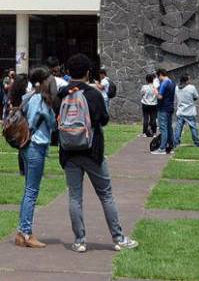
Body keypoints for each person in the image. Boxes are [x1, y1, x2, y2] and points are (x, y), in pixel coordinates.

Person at [55, 53, 138, 254]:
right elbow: (104, 119)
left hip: (68, 151)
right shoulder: (93, 94)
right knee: (106, 194)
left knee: (75, 197)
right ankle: (118, 238)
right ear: (88, 72)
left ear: (68, 72)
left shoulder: (62, 94)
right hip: (92, 150)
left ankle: (79, 241)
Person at [15, 67, 57, 249]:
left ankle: (21, 232)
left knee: (28, 191)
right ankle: (26, 233)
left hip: (25, 146)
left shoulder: (28, 97)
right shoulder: (41, 100)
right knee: (32, 191)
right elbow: (53, 124)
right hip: (36, 146)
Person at [152, 68, 176, 155]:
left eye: (158, 77)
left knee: (163, 128)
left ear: (160, 74)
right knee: (169, 128)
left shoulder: (164, 83)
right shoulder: (172, 82)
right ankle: (171, 146)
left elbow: (160, 96)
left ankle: (162, 148)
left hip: (163, 108)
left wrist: (154, 89)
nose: (158, 79)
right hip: (170, 107)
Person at [173, 74, 199, 147]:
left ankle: (176, 143)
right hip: (190, 111)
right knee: (193, 128)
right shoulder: (191, 87)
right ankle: (197, 143)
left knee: (178, 129)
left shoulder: (176, 88)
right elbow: (196, 97)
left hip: (180, 111)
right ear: (187, 80)